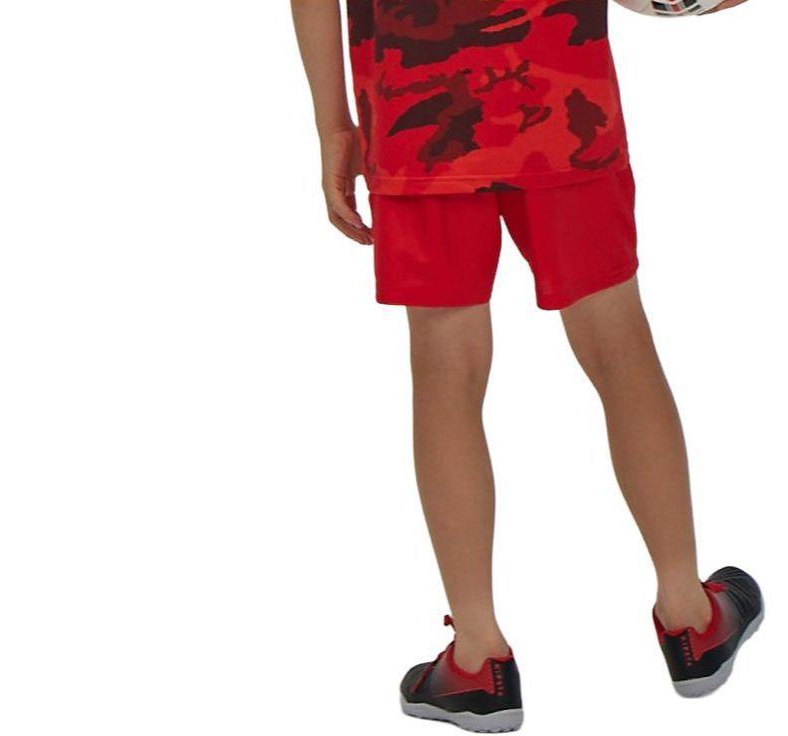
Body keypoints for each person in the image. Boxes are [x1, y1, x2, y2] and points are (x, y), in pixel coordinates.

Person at [291, 0, 762, 730]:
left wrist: (334, 126)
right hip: (560, 98)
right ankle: (689, 615)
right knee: (618, 346)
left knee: (447, 371)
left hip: (417, 116)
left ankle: (477, 659)